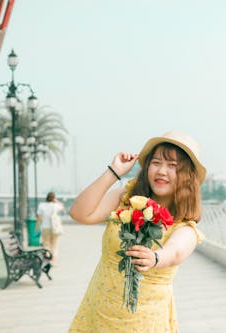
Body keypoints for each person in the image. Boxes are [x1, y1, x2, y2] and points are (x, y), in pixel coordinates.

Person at [68, 131, 206, 333]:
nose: (161, 171)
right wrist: (114, 172)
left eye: (172, 166)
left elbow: (175, 251)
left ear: (187, 176)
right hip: (98, 314)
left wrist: (155, 258)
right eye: (156, 162)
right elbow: (80, 213)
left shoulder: (185, 228)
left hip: (144, 323)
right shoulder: (126, 199)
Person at [35, 191, 64, 266]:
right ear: (53, 198)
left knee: (46, 245)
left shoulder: (41, 205)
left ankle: (47, 260)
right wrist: (56, 201)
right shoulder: (55, 206)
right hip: (54, 228)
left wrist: (37, 227)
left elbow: (39, 218)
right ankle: (53, 261)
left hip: (45, 228)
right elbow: (62, 207)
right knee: (54, 245)